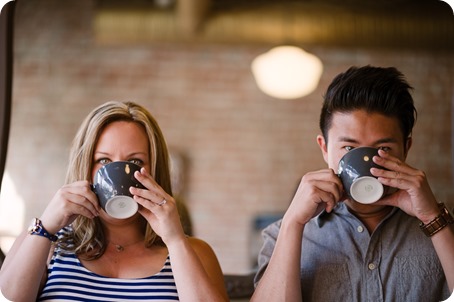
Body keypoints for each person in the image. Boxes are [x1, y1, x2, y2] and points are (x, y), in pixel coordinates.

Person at [251, 66, 454, 302]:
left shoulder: (444, 229)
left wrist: (433, 219)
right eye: (349, 148)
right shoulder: (282, 234)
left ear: (406, 149)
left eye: (384, 149)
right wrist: (293, 224)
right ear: (325, 148)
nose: (367, 161)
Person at [0, 101, 229, 301]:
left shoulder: (194, 252)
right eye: (103, 160)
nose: (118, 172)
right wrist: (47, 226)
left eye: (136, 163)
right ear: (85, 168)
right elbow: (9, 299)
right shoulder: (45, 241)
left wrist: (176, 241)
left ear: (155, 172)